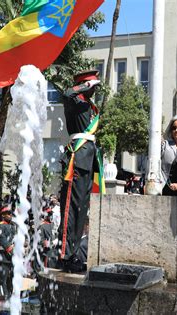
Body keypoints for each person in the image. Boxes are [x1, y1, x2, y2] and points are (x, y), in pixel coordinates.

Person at [58, 70, 103, 272]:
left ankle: (74, 254)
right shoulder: (75, 101)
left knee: (80, 210)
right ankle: (65, 255)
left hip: (88, 160)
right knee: (70, 209)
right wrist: (84, 85)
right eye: (92, 86)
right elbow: (67, 93)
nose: (95, 90)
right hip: (76, 160)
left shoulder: (90, 105)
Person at [0, 205, 16, 300]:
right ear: (3, 215)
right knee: (2, 278)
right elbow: (1, 238)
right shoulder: (0, 225)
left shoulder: (12, 225)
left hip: (12, 256)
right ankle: (2, 297)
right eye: (8, 214)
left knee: (10, 278)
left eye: (11, 213)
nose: (10, 215)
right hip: (3, 255)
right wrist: (9, 247)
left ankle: (10, 295)